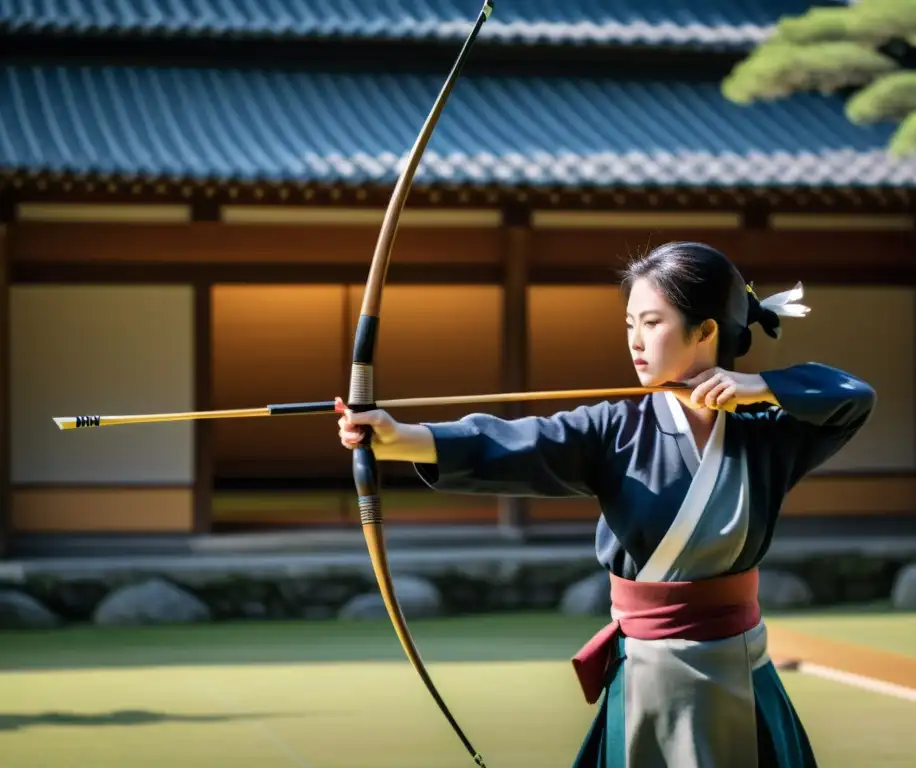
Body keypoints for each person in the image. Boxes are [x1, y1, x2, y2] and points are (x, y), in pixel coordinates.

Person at [335, 241, 875, 767]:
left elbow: (852, 396)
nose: (635, 341)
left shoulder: (767, 433)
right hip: (648, 673)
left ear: (706, 330)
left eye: (652, 323)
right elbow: (515, 442)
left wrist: (761, 386)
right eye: (629, 325)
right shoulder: (614, 429)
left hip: (739, 667)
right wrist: (398, 437)